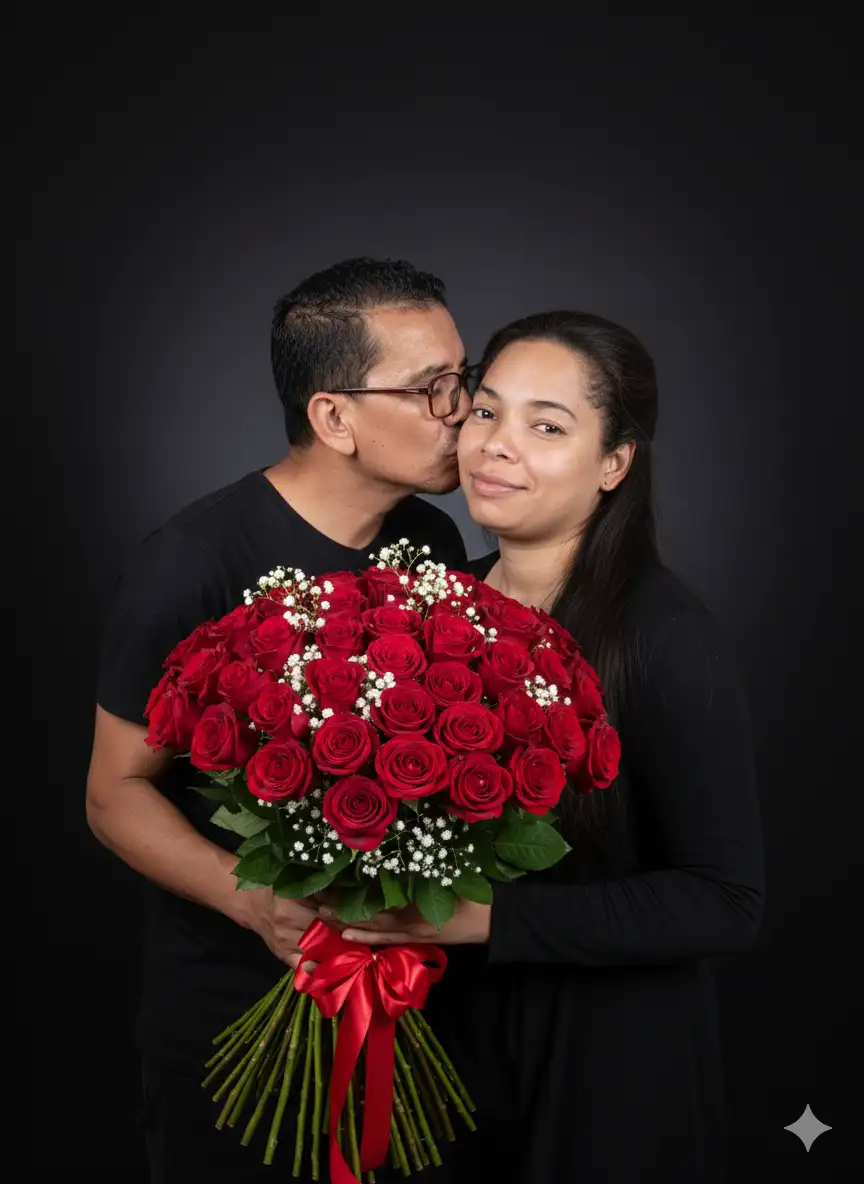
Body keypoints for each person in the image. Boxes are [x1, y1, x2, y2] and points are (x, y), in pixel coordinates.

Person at [330, 310, 766, 1182]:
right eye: (486, 412)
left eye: (547, 426)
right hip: (447, 1050)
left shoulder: (665, 637)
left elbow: (725, 900)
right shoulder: (427, 605)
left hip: (606, 1067)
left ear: (615, 463)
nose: (497, 445)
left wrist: (483, 920)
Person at [86, 257, 472, 1183]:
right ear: (333, 416)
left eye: (464, 379)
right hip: (233, 1031)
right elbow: (113, 794)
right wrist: (249, 897)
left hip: (410, 1013)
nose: (462, 410)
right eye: (430, 390)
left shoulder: (434, 540)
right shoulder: (190, 562)